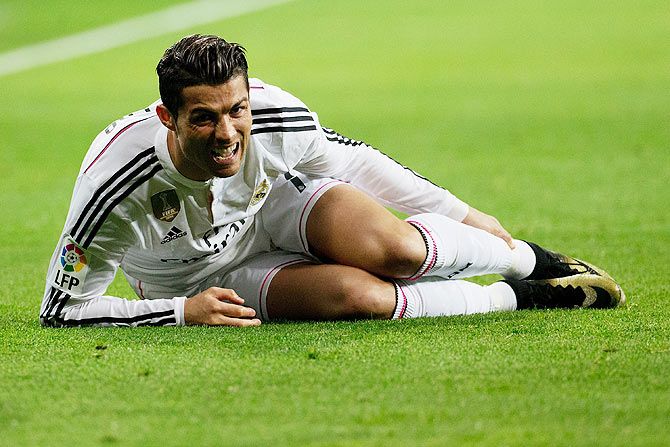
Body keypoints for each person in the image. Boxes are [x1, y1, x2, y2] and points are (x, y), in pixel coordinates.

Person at [40, 34, 624, 328]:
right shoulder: (115, 182)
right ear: (168, 118)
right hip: (201, 275)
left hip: (271, 207)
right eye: (204, 118)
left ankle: (530, 260)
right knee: (360, 297)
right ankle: (520, 297)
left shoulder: (273, 114)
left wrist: (466, 214)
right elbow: (60, 310)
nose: (227, 133)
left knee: (394, 250)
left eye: (236, 110)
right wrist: (179, 311)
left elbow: (354, 163)